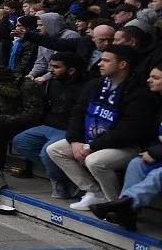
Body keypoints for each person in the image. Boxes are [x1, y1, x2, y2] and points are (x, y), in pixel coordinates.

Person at [47, 45, 158, 210]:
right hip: (93, 139)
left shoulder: (138, 91)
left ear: (122, 65)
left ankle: (114, 204)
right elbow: (78, 113)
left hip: (128, 145)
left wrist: (92, 146)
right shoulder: (96, 85)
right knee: (55, 149)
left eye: (106, 60)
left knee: (95, 161)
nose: (100, 63)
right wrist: (75, 140)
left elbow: (129, 130)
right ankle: (94, 192)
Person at [90, 63, 162, 230]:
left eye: (156, 78)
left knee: (158, 174)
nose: (149, 80)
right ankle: (127, 213)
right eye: (150, 76)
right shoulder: (155, 102)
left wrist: (155, 152)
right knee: (137, 164)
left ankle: (126, 205)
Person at [11, 52, 86, 198]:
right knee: (20, 140)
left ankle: (60, 180)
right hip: (49, 124)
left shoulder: (85, 87)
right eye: (51, 66)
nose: (51, 70)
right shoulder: (52, 82)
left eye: (56, 67)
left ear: (71, 70)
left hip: (68, 129)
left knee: (47, 152)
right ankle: (62, 176)